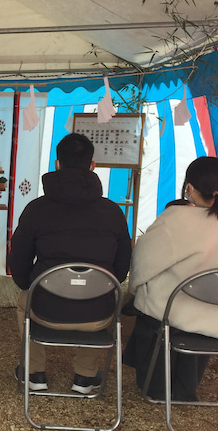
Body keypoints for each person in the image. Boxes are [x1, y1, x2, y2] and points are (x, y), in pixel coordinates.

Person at [124, 156, 218, 401]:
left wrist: (134, 290)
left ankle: (156, 387)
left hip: (178, 316)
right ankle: (185, 387)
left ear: (189, 187)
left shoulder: (176, 219)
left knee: (146, 305)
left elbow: (141, 265)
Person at [8, 133, 132, 394]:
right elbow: (121, 270)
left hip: (45, 309)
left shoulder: (36, 209)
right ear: (92, 166)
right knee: (105, 293)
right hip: (98, 314)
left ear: (57, 164)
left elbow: (18, 261)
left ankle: (34, 372)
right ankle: (85, 376)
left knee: (24, 300)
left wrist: (31, 283)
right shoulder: (113, 212)